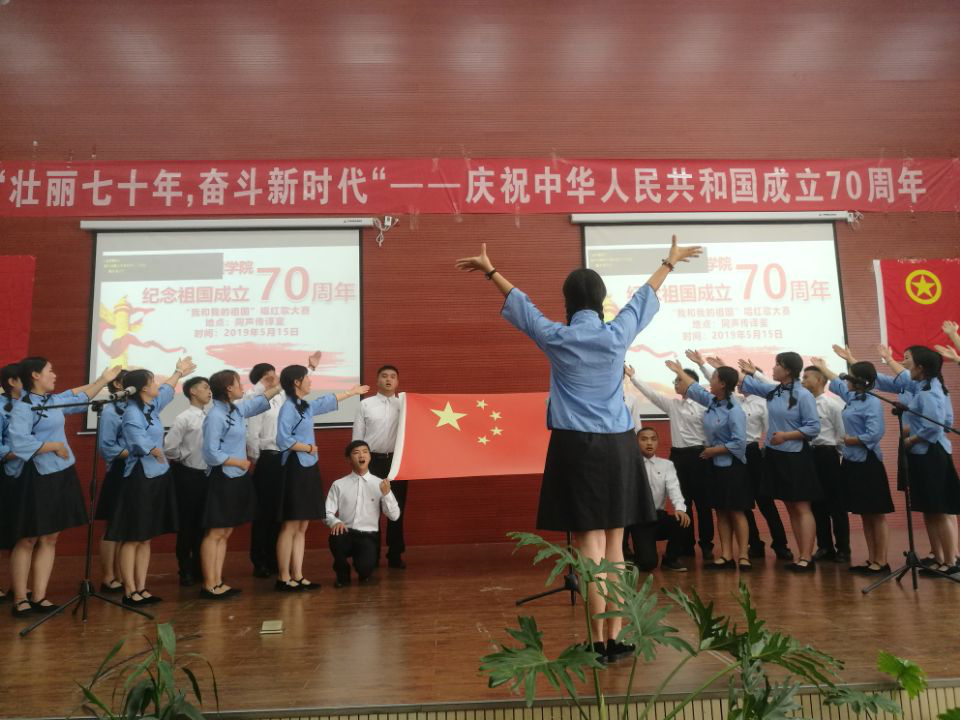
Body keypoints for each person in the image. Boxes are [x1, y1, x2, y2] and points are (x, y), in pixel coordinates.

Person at [455, 235, 701, 661]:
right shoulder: (617, 333)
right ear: (602, 301)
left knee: (589, 548)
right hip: (619, 447)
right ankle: (617, 638)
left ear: (568, 301)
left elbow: (523, 307)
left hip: (575, 447)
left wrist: (490, 270)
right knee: (616, 548)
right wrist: (669, 262)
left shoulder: (557, 336)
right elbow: (644, 297)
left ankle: (598, 642)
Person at [6, 358, 121, 616]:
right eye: (50, 371)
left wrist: (103, 380)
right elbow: (19, 443)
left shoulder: (54, 400)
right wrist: (54, 446)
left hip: (61, 473)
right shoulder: (23, 407)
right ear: (35, 375)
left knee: (51, 537)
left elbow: (79, 397)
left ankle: (40, 596)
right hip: (36, 476)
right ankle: (21, 598)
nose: (55, 375)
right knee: (28, 538)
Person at [687, 351, 791, 561]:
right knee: (740, 504)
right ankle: (754, 544)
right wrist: (703, 365)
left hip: (752, 452)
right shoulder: (732, 400)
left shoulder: (763, 402)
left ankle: (780, 545)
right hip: (732, 456)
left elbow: (771, 431)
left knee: (765, 503)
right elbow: (721, 381)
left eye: (745, 380)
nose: (741, 384)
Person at [107, 359, 195, 606]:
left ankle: (142, 587)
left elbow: (167, 389)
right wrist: (153, 449)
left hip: (157, 475)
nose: (157, 384)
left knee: (145, 537)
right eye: (153, 381)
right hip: (139, 478)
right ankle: (129, 590)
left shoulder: (150, 405)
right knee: (133, 536)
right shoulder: (131, 412)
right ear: (144, 388)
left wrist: (178, 372)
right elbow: (136, 439)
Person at [275, 364, 368, 591]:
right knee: (290, 524)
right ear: (296, 382)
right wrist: (307, 447)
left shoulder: (304, 405)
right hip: (295, 467)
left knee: (302, 525)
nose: (310, 381)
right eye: (307, 378)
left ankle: (298, 575)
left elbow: (325, 402)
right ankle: (284, 577)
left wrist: (351, 392)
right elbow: (282, 439)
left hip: (308, 467)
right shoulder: (288, 407)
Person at [870, 344, 960, 575]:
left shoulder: (929, 391)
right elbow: (945, 421)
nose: (903, 362)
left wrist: (911, 439)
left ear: (920, 367)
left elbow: (935, 426)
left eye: (907, 358)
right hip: (924, 453)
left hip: (931, 454)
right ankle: (939, 559)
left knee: (939, 509)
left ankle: (950, 562)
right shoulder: (924, 386)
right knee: (930, 509)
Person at [200, 369, 280, 599]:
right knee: (215, 531)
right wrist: (237, 461)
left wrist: (276, 386)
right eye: (238, 383)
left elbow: (259, 401)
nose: (242, 387)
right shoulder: (215, 415)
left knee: (225, 531)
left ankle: (218, 581)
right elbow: (210, 452)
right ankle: (209, 584)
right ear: (228, 388)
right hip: (223, 476)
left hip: (237, 476)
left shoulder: (235, 409)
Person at [738, 352, 821, 572]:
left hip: (796, 455)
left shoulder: (803, 395)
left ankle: (807, 558)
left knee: (802, 506)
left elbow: (813, 427)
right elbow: (741, 381)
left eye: (777, 365)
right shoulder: (774, 391)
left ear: (788, 370)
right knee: (790, 506)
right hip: (776, 454)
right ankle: (801, 556)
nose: (773, 368)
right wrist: (708, 365)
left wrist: (786, 435)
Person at [810, 357, 893, 573]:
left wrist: (851, 440)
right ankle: (871, 559)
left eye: (850, 376)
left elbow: (875, 433)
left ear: (860, 380)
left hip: (867, 462)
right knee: (864, 512)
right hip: (850, 461)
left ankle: (881, 561)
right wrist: (823, 367)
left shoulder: (872, 401)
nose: (846, 379)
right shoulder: (852, 397)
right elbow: (836, 382)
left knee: (876, 513)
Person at [625, 364, 714, 562]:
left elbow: (712, 432)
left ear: (692, 384)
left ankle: (707, 546)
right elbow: (652, 394)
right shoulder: (673, 405)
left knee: (704, 505)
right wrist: (634, 378)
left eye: (679, 380)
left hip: (700, 456)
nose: (675, 383)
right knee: (684, 503)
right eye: (675, 380)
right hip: (678, 457)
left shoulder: (705, 407)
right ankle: (687, 546)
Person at [668, 360, 751, 570]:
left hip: (732, 467)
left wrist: (714, 450)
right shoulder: (713, 402)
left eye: (713, 378)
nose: (709, 381)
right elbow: (694, 388)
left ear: (722, 384)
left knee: (736, 511)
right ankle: (726, 556)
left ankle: (743, 556)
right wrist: (679, 371)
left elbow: (740, 443)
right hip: (714, 467)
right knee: (720, 511)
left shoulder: (734, 409)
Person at [325, 440, 400, 587]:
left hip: (368, 536)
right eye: (356, 453)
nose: (361, 455)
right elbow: (327, 512)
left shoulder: (380, 484)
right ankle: (342, 572)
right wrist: (335, 522)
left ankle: (362, 566)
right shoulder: (339, 484)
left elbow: (394, 516)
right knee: (336, 537)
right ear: (349, 459)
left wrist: (387, 495)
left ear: (370, 457)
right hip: (345, 532)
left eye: (365, 452)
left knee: (365, 572)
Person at [352, 364, 403, 567]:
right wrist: (359, 465)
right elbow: (357, 438)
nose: (388, 379)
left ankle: (395, 554)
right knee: (370, 510)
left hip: (396, 463)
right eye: (384, 376)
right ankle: (370, 555)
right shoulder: (366, 404)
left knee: (396, 508)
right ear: (377, 380)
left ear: (397, 382)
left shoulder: (404, 405)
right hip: (371, 461)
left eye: (392, 376)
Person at [163, 376, 211, 587]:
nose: (209, 391)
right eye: (205, 387)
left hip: (208, 476)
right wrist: (185, 455)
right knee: (187, 525)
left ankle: (201, 568)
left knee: (204, 524)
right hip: (188, 475)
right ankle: (185, 570)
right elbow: (169, 448)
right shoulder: (184, 418)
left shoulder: (210, 416)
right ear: (192, 391)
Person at [622, 427, 690, 572]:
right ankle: (632, 556)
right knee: (648, 564)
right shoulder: (628, 465)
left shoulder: (666, 465)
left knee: (682, 520)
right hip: (639, 519)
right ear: (636, 442)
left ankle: (670, 559)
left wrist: (680, 508)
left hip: (658, 516)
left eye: (653, 439)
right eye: (644, 439)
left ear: (658, 442)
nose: (649, 443)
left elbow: (674, 488)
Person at [801, 365, 849, 563]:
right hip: (808, 455)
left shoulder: (832, 404)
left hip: (827, 454)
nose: (802, 381)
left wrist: (840, 458)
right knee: (816, 503)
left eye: (806, 377)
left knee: (836, 504)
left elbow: (842, 433)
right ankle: (824, 547)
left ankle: (843, 548)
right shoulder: (803, 404)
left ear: (820, 380)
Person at [245, 362, 284, 578]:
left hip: (284, 458)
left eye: (274, 374)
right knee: (264, 514)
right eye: (268, 376)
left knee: (279, 512)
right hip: (267, 459)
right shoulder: (255, 398)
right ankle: (259, 560)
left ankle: (275, 557)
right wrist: (259, 460)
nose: (274, 378)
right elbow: (252, 434)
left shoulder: (281, 396)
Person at [94, 368, 129, 594]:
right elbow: (106, 448)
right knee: (113, 525)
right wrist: (137, 451)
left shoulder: (135, 408)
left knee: (126, 526)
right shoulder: (109, 411)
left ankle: (121, 574)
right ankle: (108, 577)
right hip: (119, 470)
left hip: (136, 470)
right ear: (117, 384)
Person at [0, 362, 22, 602]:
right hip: (5, 474)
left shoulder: (29, 405)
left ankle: (18, 586)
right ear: (12, 382)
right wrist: (26, 450)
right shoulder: (0, 407)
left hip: (26, 475)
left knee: (20, 533)